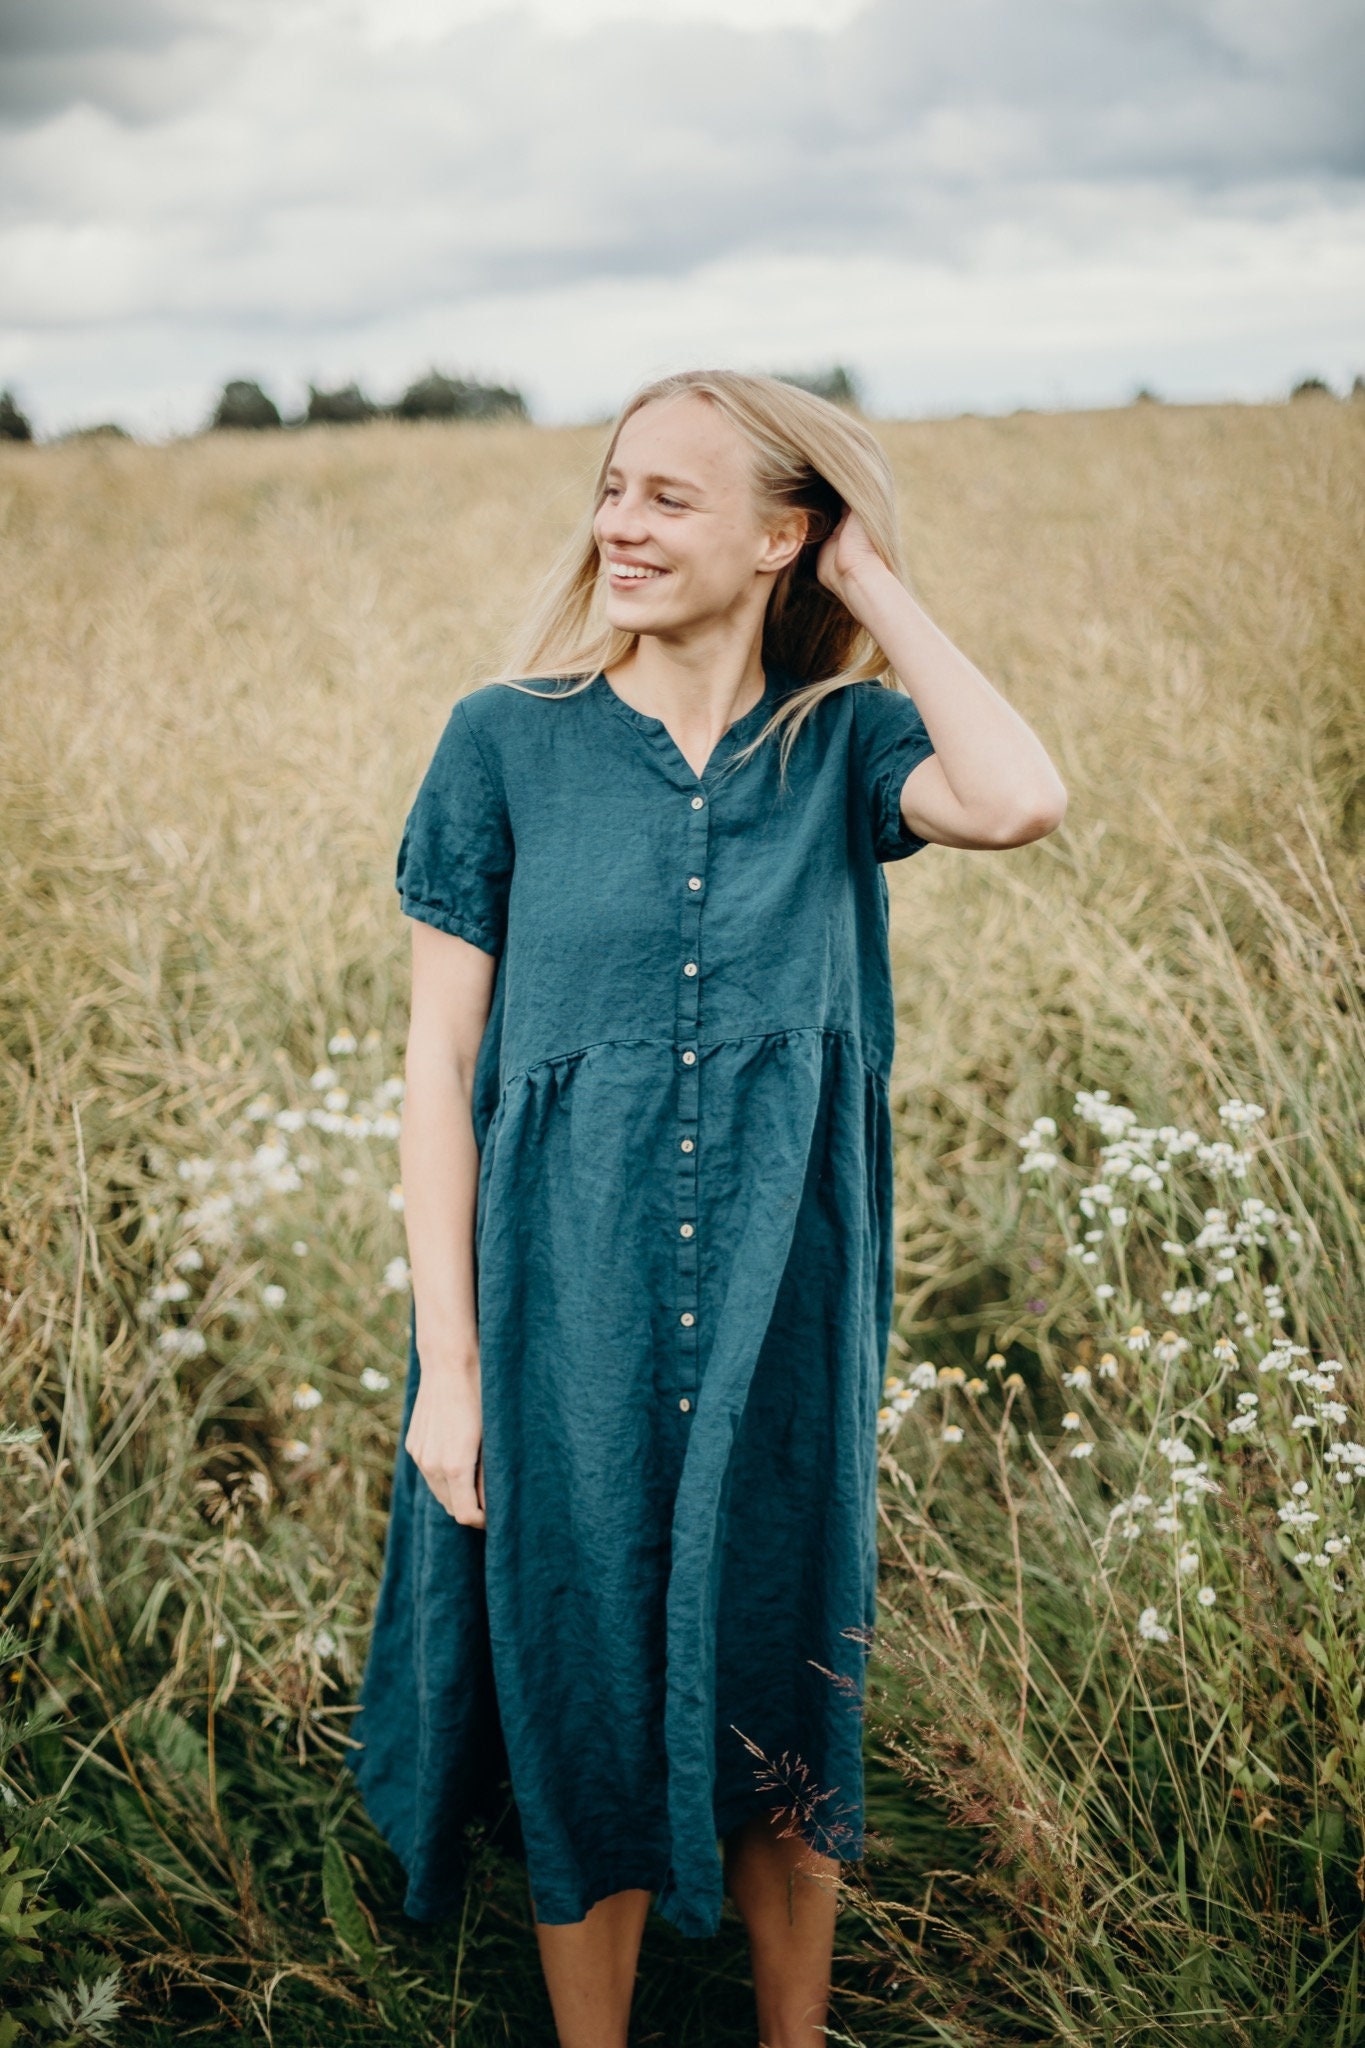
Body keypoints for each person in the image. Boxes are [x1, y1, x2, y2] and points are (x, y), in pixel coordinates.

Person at [348, 368, 1067, 2048]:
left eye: (670, 497)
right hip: (554, 1305)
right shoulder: (502, 741)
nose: (617, 523)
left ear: (778, 535)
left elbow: (1020, 796)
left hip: (780, 1303)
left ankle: (788, 2033)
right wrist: (448, 1375)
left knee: (779, 1649)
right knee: (573, 1664)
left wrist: (869, 581)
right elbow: (436, 1070)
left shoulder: (843, 747)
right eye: (611, 488)